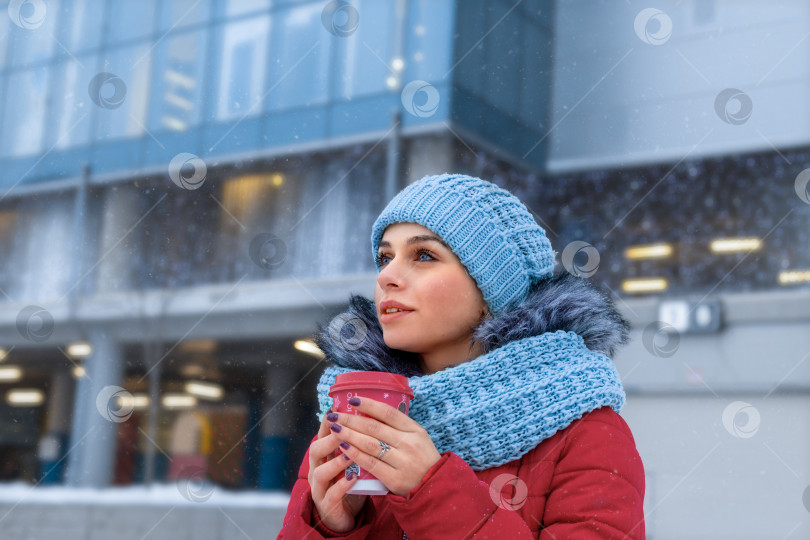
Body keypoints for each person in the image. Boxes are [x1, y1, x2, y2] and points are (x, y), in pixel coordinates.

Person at [275, 173, 646, 539]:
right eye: (385, 257)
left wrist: (434, 493)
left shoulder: (585, 433)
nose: (387, 276)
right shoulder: (356, 416)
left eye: (423, 255)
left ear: (491, 290)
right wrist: (328, 528)